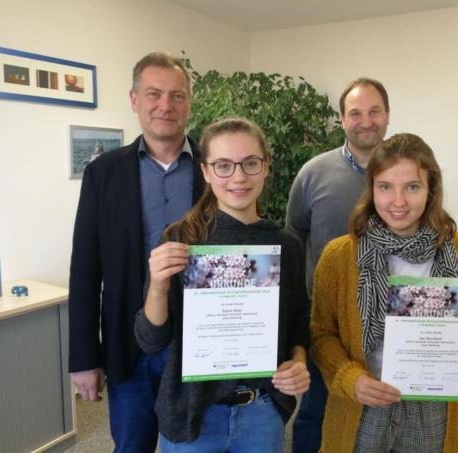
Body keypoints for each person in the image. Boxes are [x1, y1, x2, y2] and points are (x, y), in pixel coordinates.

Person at [310, 133, 458, 452]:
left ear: (430, 190)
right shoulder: (340, 256)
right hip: (363, 405)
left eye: (412, 187)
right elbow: (321, 336)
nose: (398, 201)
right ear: (371, 189)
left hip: (434, 411)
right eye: (386, 187)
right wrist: (350, 379)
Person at [135, 117, 311, 452]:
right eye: (223, 165)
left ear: (266, 167)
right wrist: (158, 286)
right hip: (194, 414)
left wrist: (299, 361)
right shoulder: (181, 239)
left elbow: (298, 324)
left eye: (250, 163)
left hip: (262, 411)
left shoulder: (286, 245)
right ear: (205, 171)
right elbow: (150, 341)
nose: (239, 177)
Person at [68, 52, 203, 453]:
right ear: (134, 99)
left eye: (177, 95)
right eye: (154, 94)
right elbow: (85, 271)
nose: (166, 105)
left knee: (198, 446)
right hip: (130, 344)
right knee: (131, 446)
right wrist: (84, 357)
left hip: (199, 342)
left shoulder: (216, 169)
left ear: (189, 102)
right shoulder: (103, 173)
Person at [285, 77, 389, 453]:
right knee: (317, 411)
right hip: (326, 322)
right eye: (356, 113)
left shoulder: (405, 172)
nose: (366, 121)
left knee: (380, 408)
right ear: (342, 119)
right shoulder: (313, 173)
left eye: (374, 111)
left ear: (387, 115)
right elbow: (294, 238)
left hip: (390, 318)